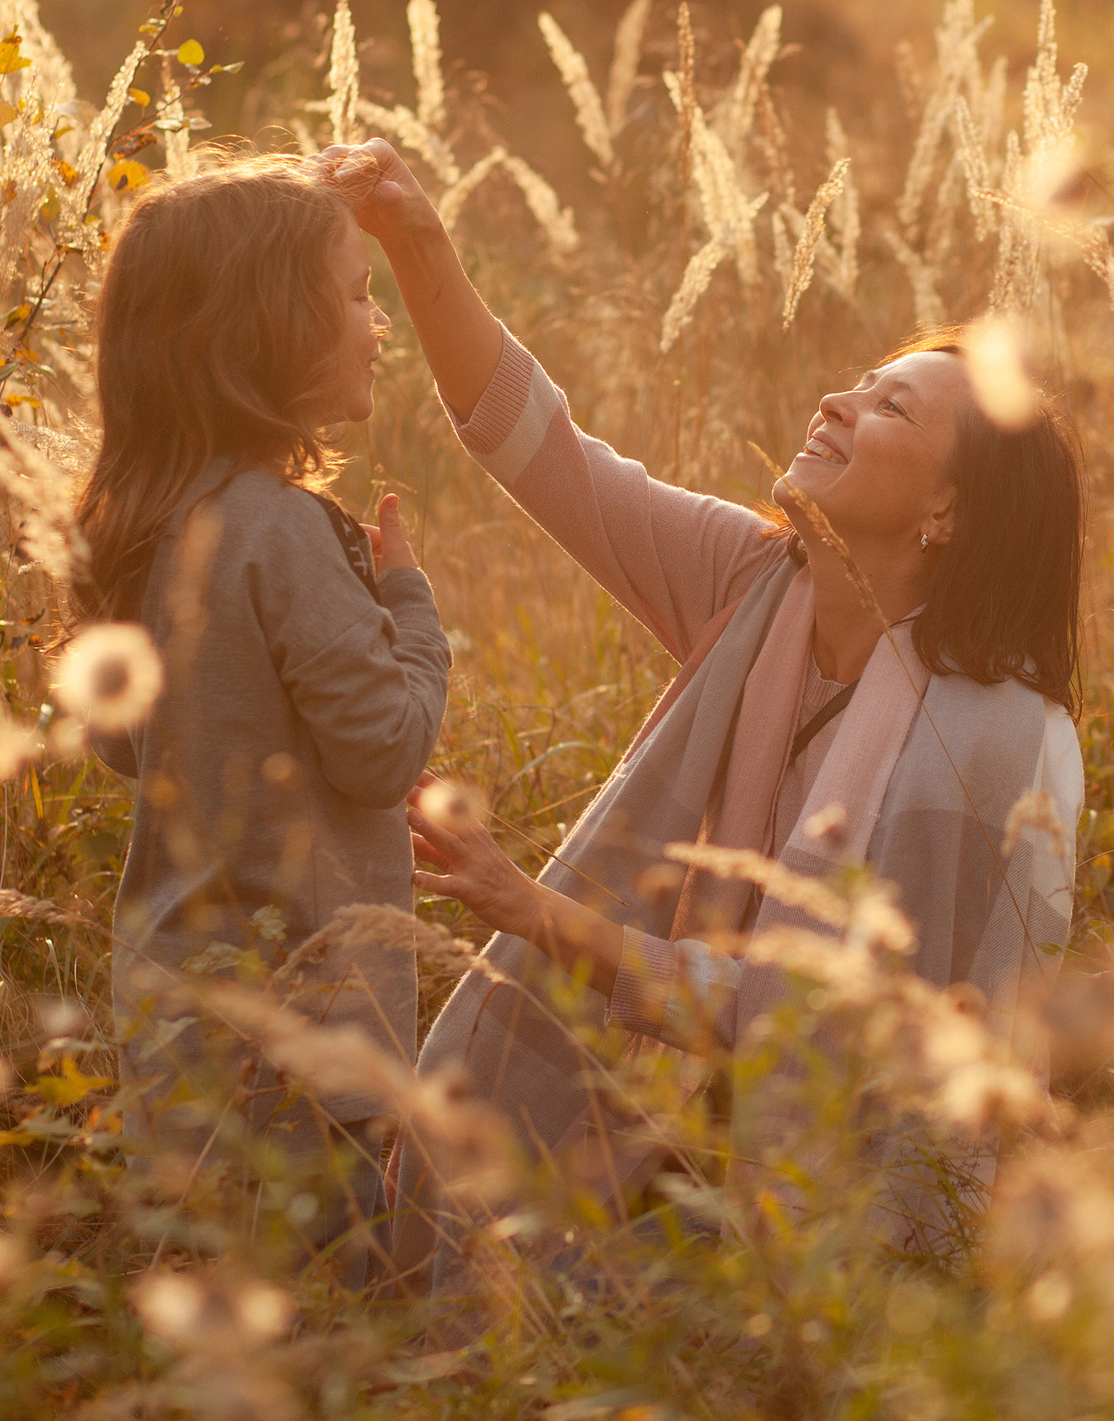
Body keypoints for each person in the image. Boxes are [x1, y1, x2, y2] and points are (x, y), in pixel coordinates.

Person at [322, 137, 1084, 1291]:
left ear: (945, 512)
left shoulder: (988, 741)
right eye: (860, 378)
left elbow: (835, 1032)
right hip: (685, 1125)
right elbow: (546, 451)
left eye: (887, 405)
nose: (834, 399)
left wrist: (536, 911)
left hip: (850, 1222)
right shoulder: (754, 582)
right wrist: (416, 242)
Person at [73, 157, 451, 1286]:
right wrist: (412, 611)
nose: (377, 323)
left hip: (175, 1019)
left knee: (218, 1319)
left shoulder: (136, 528)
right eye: (351, 292)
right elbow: (383, 747)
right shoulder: (281, 532)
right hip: (312, 1034)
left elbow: (115, 743)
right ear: (266, 329)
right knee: (340, 1322)